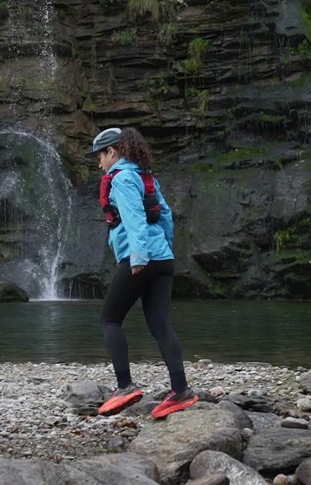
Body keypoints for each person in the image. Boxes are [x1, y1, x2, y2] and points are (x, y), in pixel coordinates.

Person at [89, 126, 198, 418]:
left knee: (109, 319)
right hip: (163, 258)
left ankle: (124, 386)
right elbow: (166, 217)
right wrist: (163, 250)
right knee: (159, 323)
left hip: (141, 258)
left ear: (111, 152)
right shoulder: (145, 176)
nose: (99, 164)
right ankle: (181, 391)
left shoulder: (121, 179)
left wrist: (138, 256)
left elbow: (135, 220)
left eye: (99, 156)